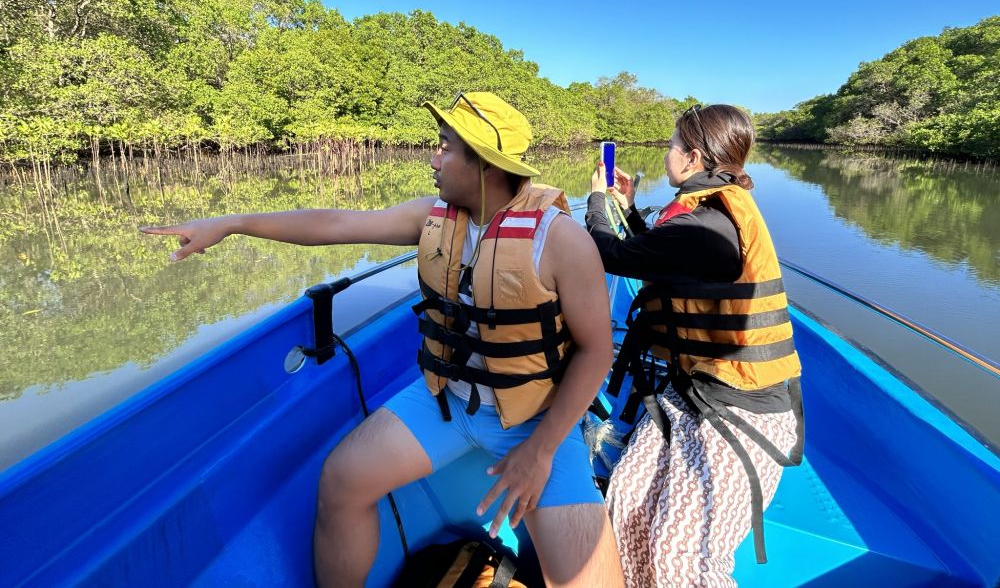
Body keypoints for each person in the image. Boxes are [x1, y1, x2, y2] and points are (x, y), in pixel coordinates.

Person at [142, 92, 625, 588]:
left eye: (444, 148)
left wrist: (541, 450)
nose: (432, 159)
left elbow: (596, 351)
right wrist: (231, 223)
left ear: (484, 165)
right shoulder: (433, 219)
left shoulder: (561, 239)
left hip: (537, 419)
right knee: (341, 480)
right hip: (446, 402)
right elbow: (335, 222)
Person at [584, 104, 803, 588]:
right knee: (627, 499)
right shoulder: (707, 213)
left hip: (740, 408)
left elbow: (611, 254)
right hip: (693, 390)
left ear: (693, 157)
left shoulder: (708, 224)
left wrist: (596, 202)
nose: (668, 154)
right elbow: (666, 259)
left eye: (671, 146)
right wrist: (630, 206)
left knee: (678, 555)